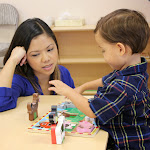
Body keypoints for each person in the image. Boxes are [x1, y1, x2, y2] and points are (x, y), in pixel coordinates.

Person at [48, 9, 150, 149]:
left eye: (103, 49)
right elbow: (105, 80)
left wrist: (68, 91)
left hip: (127, 144)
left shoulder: (123, 86)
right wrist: (82, 87)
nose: (103, 54)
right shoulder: (134, 70)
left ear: (120, 49)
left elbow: (91, 111)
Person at [0, 18, 75, 112]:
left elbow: (73, 104)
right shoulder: (19, 80)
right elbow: (1, 103)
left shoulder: (63, 73)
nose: (46, 59)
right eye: (35, 54)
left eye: (50, 49)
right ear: (24, 57)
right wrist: (13, 59)